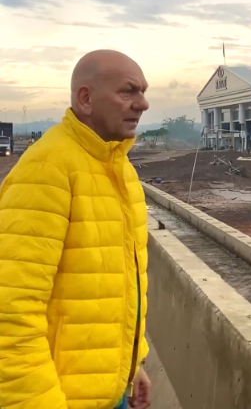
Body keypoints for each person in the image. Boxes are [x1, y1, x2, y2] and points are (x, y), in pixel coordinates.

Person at [0, 50, 152, 409]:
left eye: (144, 91)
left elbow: (119, 285)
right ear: (85, 99)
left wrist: (133, 365)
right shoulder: (47, 169)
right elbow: (11, 311)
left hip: (111, 390)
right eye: (128, 91)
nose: (143, 104)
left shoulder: (120, 170)